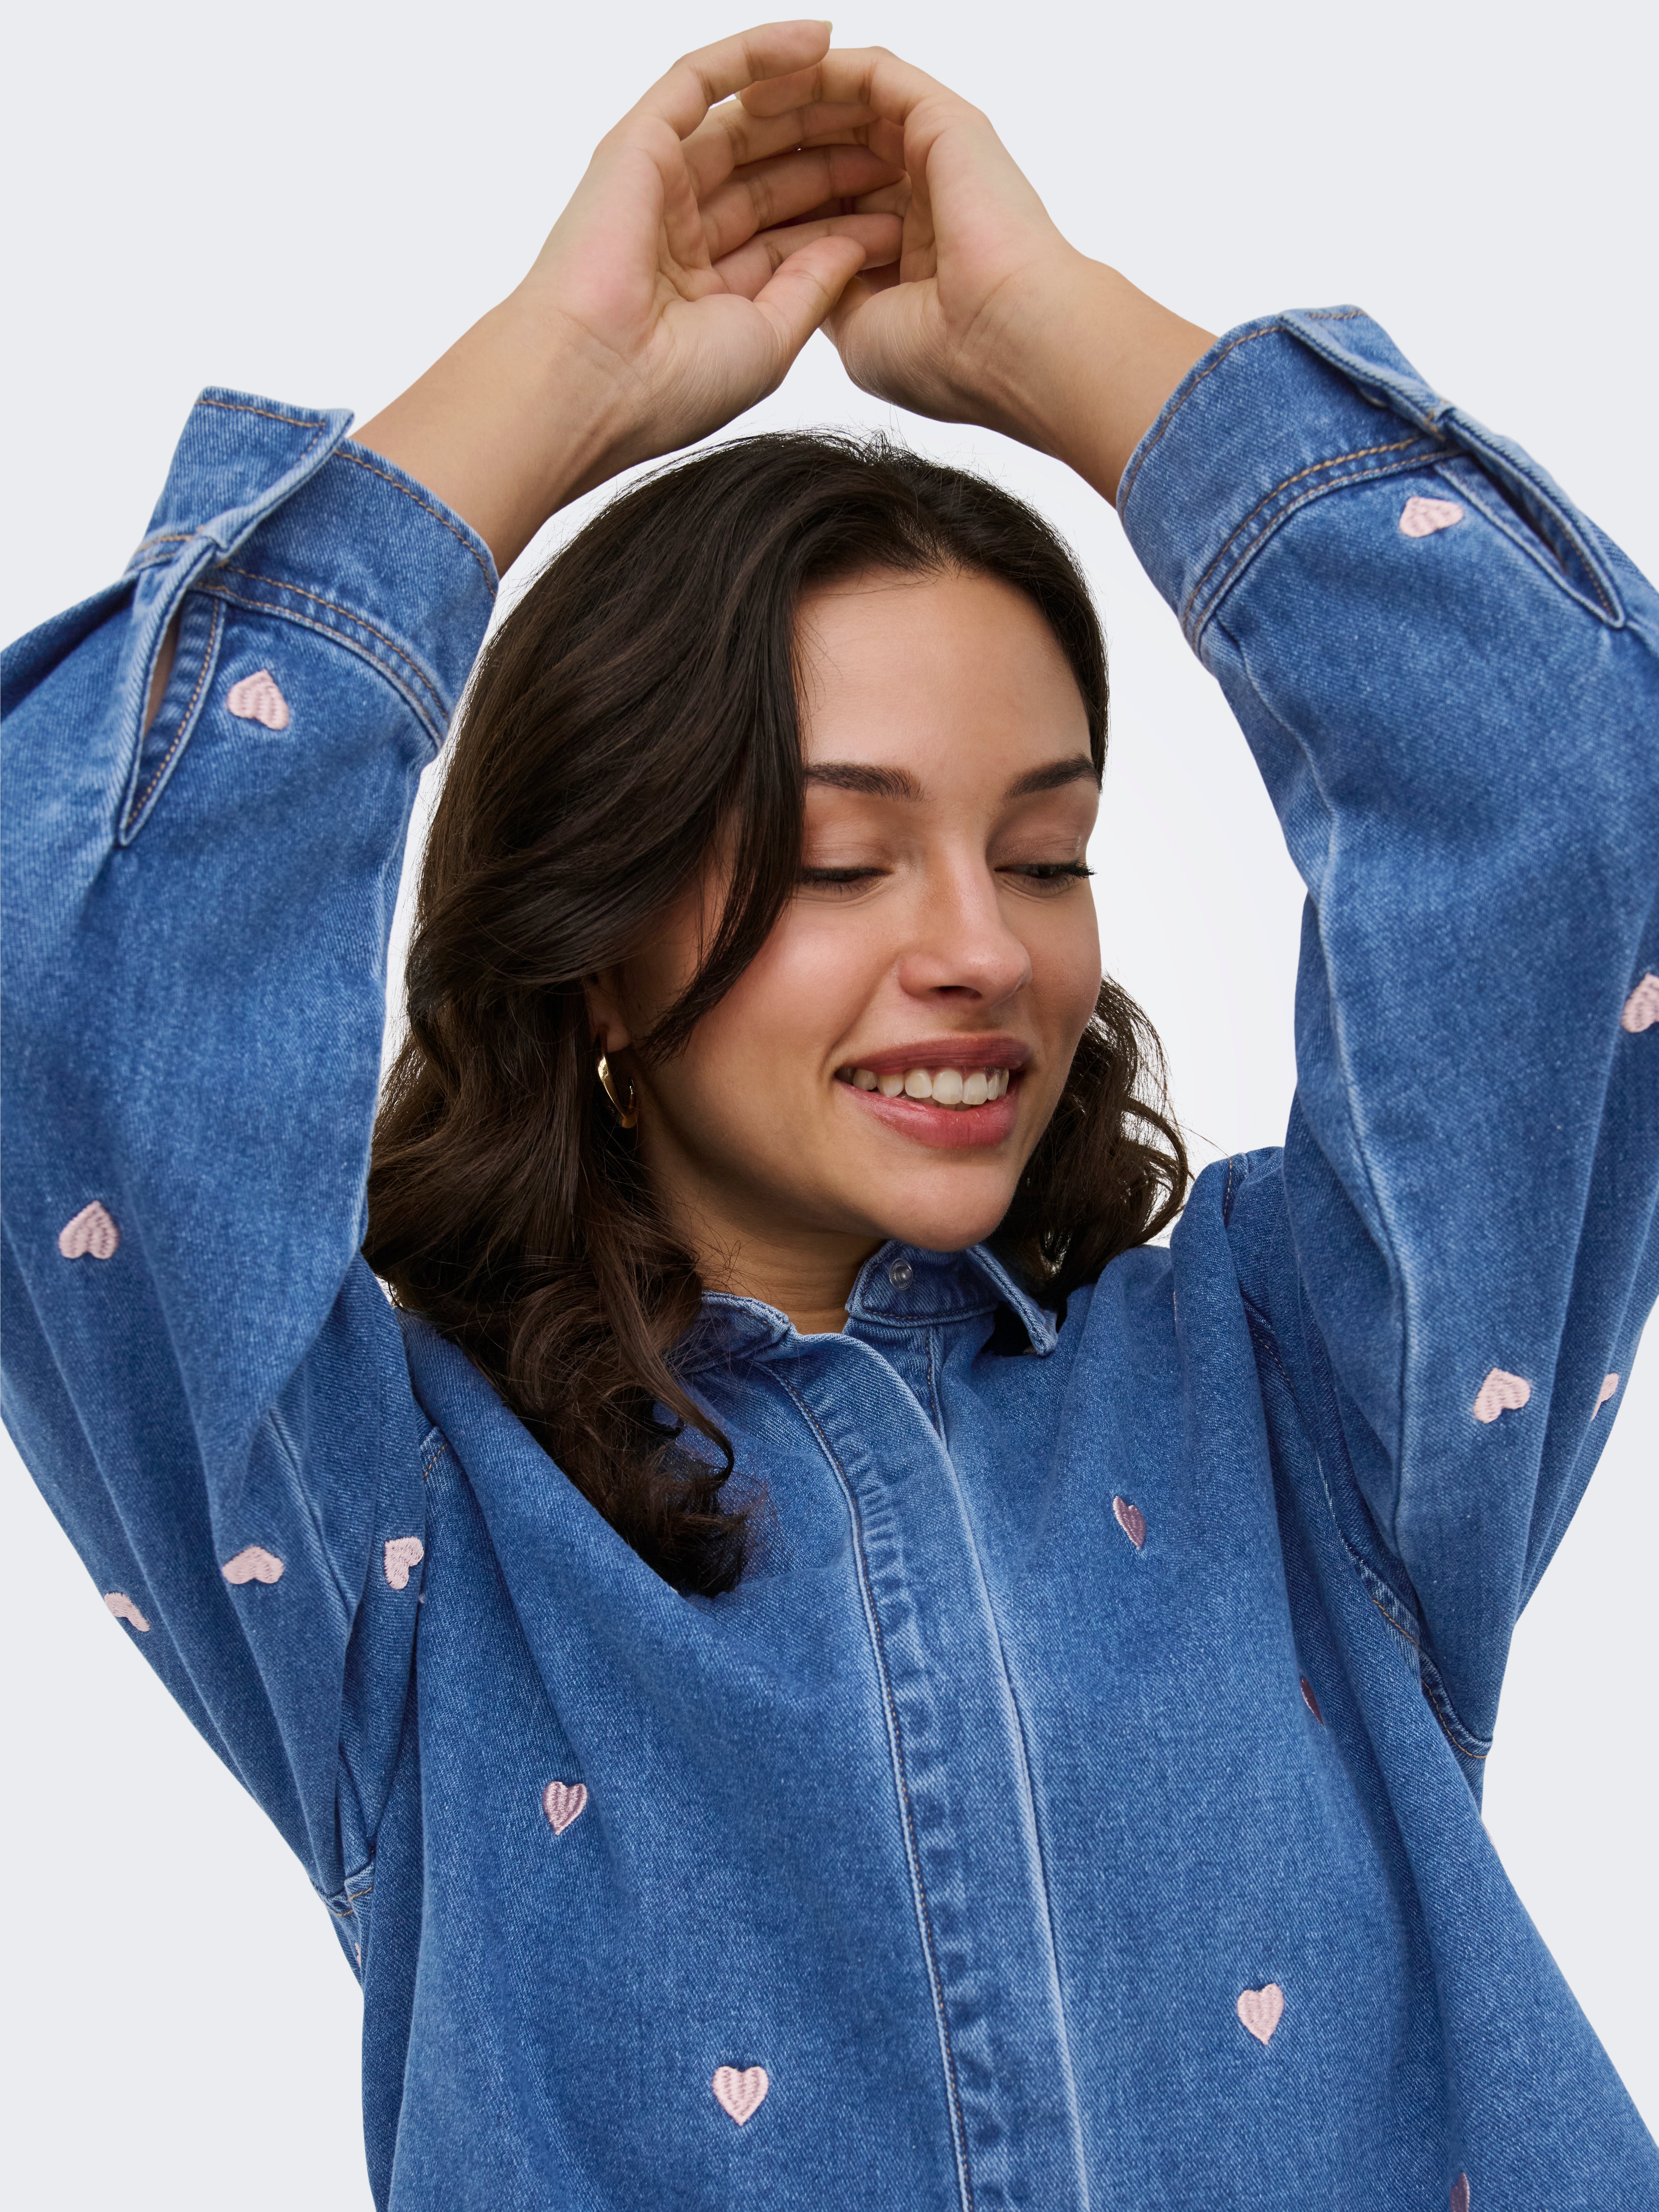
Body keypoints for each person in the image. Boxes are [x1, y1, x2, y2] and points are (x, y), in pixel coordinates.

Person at [4, 17, 1657, 2207]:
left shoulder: (1303, 1403)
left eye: (1048, 851)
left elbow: (1580, 792)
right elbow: (64, 993)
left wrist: (1060, 339)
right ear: (596, 935)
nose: (985, 947)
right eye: (844, 856)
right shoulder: (409, 1542)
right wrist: (553, 373)